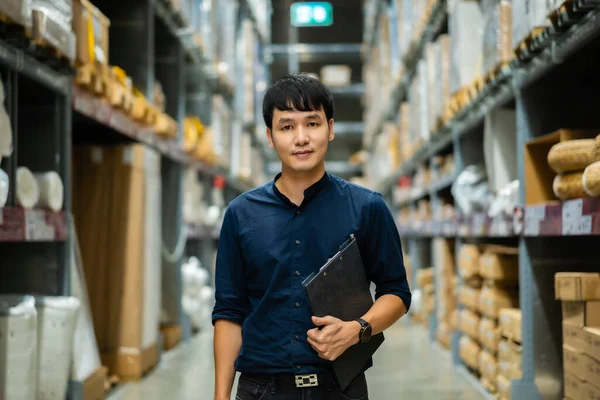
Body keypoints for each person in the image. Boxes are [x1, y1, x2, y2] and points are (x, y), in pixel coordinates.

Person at [212, 74, 411, 400]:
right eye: (287, 127)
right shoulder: (241, 214)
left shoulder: (367, 207)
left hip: (341, 388)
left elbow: (397, 293)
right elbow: (229, 313)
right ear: (270, 137)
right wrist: (220, 396)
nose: (301, 138)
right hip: (262, 390)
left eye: (312, 124)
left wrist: (356, 330)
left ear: (330, 129)